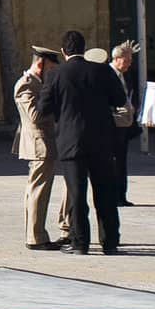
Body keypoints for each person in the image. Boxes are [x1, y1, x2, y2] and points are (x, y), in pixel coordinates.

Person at [36, 29, 128, 255]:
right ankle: (110, 242)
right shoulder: (102, 70)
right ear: (84, 49)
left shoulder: (56, 74)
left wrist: (62, 110)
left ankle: (80, 243)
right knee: (105, 192)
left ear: (62, 51)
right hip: (101, 140)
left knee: (77, 194)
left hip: (71, 141)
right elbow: (119, 99)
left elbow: (43, 109)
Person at [15, 44, 66, 250]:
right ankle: (36, 237)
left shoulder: (37, 83)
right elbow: (34, 115)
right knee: (38, 191)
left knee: (38, 190)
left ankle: (36, 235)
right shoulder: (26, 84)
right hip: (39, 144)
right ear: (40, 64)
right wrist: (50, 94)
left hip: (44, 143)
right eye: (51, 69)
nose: (52, 74)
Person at [110, 40, 142, 206]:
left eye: (131, 60)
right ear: (116, 59)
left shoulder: (126, 75)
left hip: (125, 124)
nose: (130, 64)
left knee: (121, 161)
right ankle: (113, 195)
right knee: (113, 161)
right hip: (112, 124)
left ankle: (121, 196)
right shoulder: (107, 74)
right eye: (127, 60)